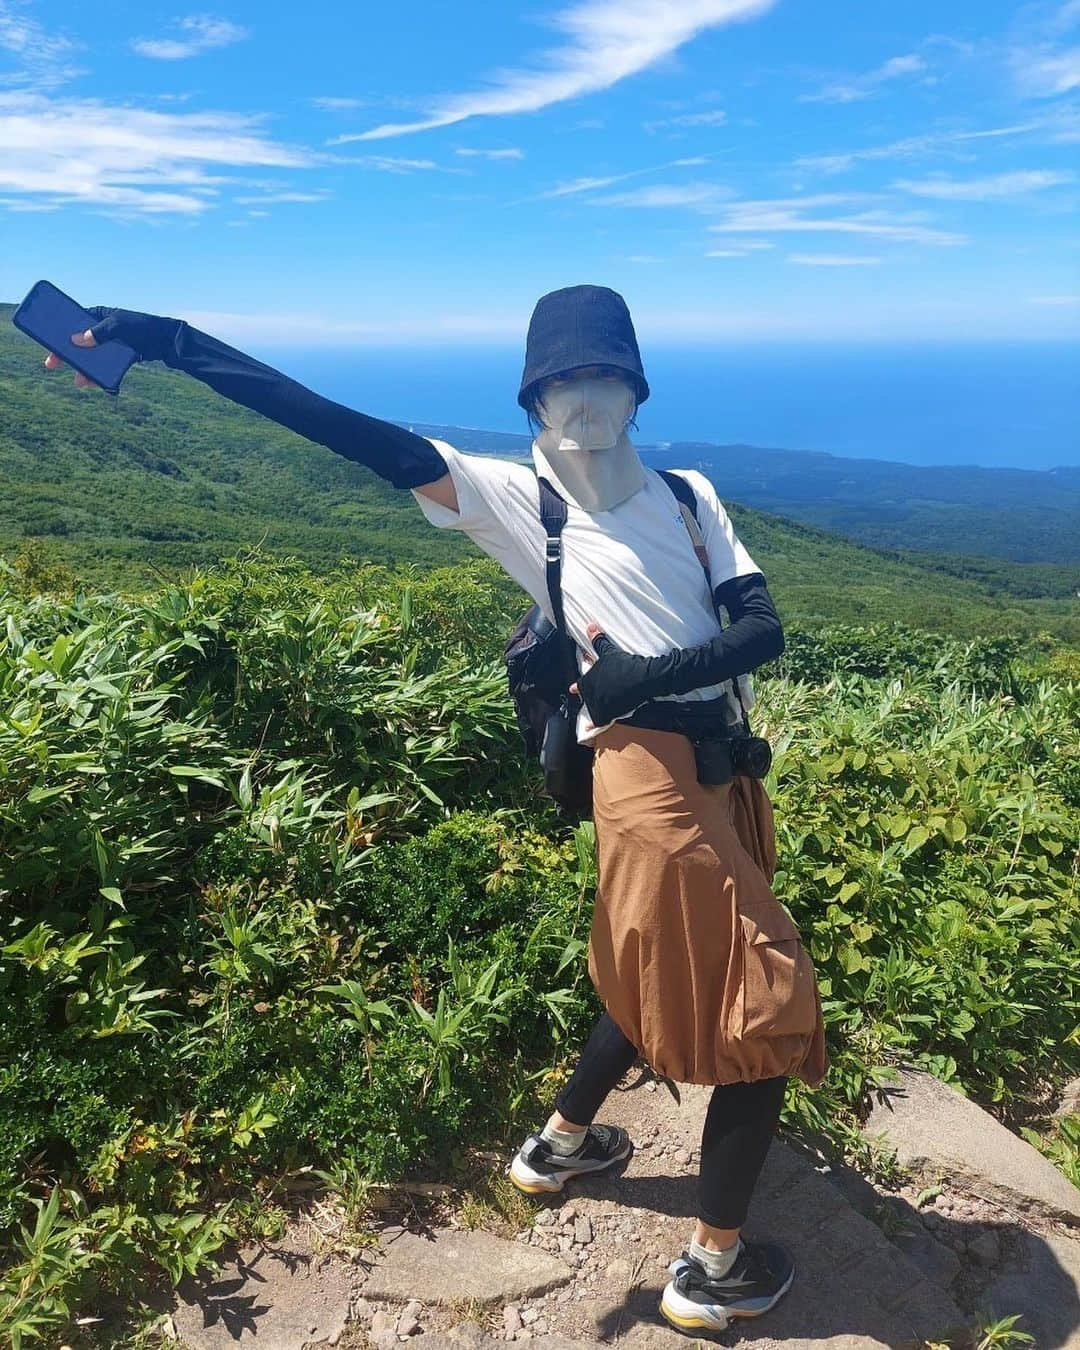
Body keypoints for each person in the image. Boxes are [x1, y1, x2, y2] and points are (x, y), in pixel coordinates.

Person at [43, 284, 828, 1337]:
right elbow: (333, 424)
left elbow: (761, 629)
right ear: (532, 400)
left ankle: (559, 1146)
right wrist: (172, 341)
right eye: (560, 381)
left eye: (600, 375)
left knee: (658, 961)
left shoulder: (689, 496)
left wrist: (648, 672)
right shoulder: (510, 498)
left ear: (635, 390)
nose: (582, 398)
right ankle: (715, 1268)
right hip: (646, 779)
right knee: (769, 1009)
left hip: (722, 769)